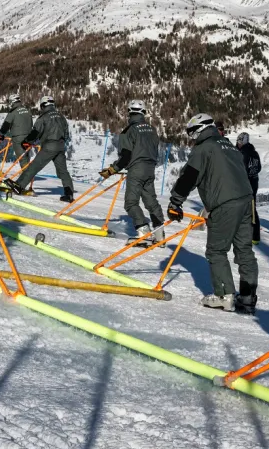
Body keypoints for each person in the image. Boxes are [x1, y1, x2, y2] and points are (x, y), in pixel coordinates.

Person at [168, 113, 260, 314]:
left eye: (192, 134)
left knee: (216, 250)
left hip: (225, 204)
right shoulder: (229, 147)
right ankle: (247, 297)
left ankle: (224, 296)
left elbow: (189, 177)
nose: (192, 139)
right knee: (244, 250)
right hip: (246, 201)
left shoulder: (204, 148)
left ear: (199, 129)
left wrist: (175, 203)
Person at [100, 100, 165, 244]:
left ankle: (143, 232)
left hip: (136, 169)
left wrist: (111, 170)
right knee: (151, 201)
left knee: (131, 203)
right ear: (144, 113)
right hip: (150, 168)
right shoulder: (152, 129)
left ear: (129, 112)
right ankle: (159, 234)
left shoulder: (128, 131)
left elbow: (125, 157)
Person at [3, 95, 75, 203]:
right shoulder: (61, 117)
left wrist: (26, 142)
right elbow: (66, 135)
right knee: (63, 171)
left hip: (48, 146)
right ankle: (69, 194)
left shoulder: (43, 117)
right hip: (60, 146)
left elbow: (35, 133)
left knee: (34, 167)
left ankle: (19, 186)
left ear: (43, 105)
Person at [235, 133, 261, 244]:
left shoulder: (243, 153)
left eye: (240, 142)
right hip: (253, 182)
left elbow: (240, 170)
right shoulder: (254, 153)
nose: (238, 143)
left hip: (246, 184)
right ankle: (253, 235)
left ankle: (254, 236)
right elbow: (258, 167)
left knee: (249, 209)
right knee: (251, 208)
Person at [0, 93, 33, 163]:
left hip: (18, 138)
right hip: (29, 137)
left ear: (12, 102)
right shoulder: (27, 110)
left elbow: (6, 125)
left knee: (23, 159)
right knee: (27, 157)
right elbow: (31, 123)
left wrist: (0, 134)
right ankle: (29, 172)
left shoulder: (13, 113)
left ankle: (27, 173)